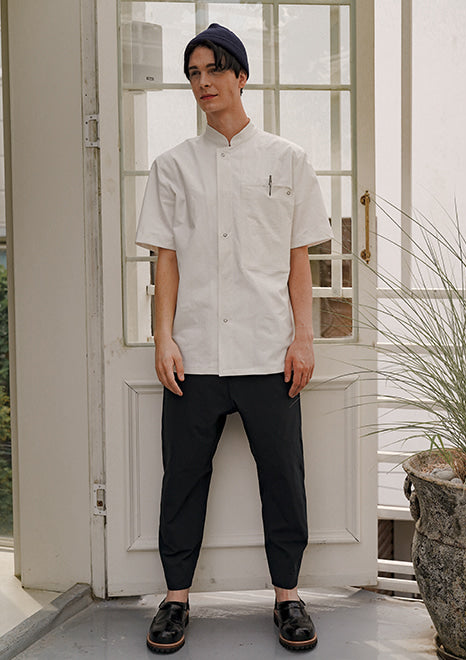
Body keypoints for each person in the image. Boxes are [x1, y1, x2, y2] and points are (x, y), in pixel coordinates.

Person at [136, 23, 334, 654]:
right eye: (194, 74)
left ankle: (288, 597)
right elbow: (165, 261)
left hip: (268, 351)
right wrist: (163, 338)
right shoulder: (172, 166)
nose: (204, 83)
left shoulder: (287, 159)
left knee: (284, 476)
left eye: (214, 70)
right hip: (193, 353)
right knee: (182, 477)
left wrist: (304, 339)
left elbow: (299, 261)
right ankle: (175, 599)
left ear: (241, 76)